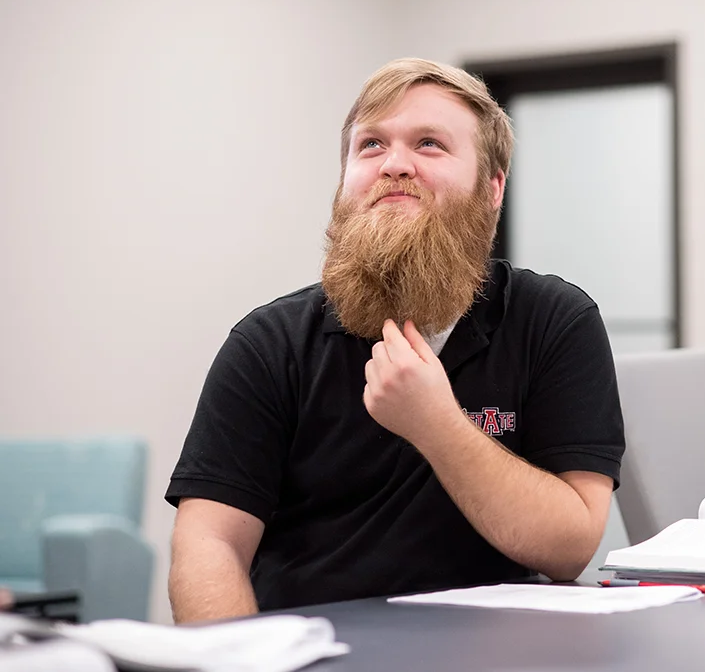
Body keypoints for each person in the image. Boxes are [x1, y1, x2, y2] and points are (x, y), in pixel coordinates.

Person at [165, 58, 626, 623]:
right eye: (371, 145)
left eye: (429, 144)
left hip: (501, 653)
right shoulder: (269, 344)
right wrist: (238, 660)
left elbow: (570, 548)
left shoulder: (554, 320)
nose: (395, 165)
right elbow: (208, 545)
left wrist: (436, 423)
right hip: (316, 651)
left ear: (492, 187)